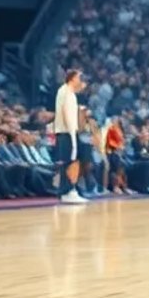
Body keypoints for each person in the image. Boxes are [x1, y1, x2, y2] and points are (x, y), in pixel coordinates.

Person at [53, 69, 86, 204]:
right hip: (67, 131)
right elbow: (66, 112)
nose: (80, 81)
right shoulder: (66, 91)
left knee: (72, 161)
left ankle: (70, 189)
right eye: (79, 78)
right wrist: (72, 132)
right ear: (72, 78)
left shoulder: (68, 91)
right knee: (69, 161)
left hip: (69, 131)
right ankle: (67, 191)